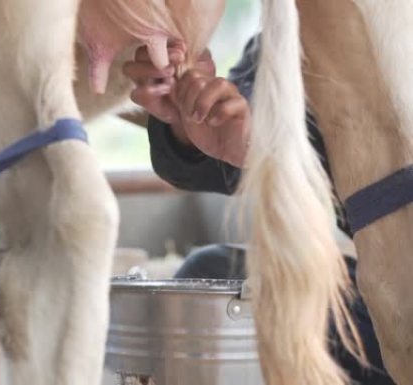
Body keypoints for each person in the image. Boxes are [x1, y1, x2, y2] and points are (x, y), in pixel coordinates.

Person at [123, 35, 395, 384]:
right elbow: (252, 106)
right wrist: (202, 116)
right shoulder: (308, 29)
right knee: (214, 280)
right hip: (380, 300)